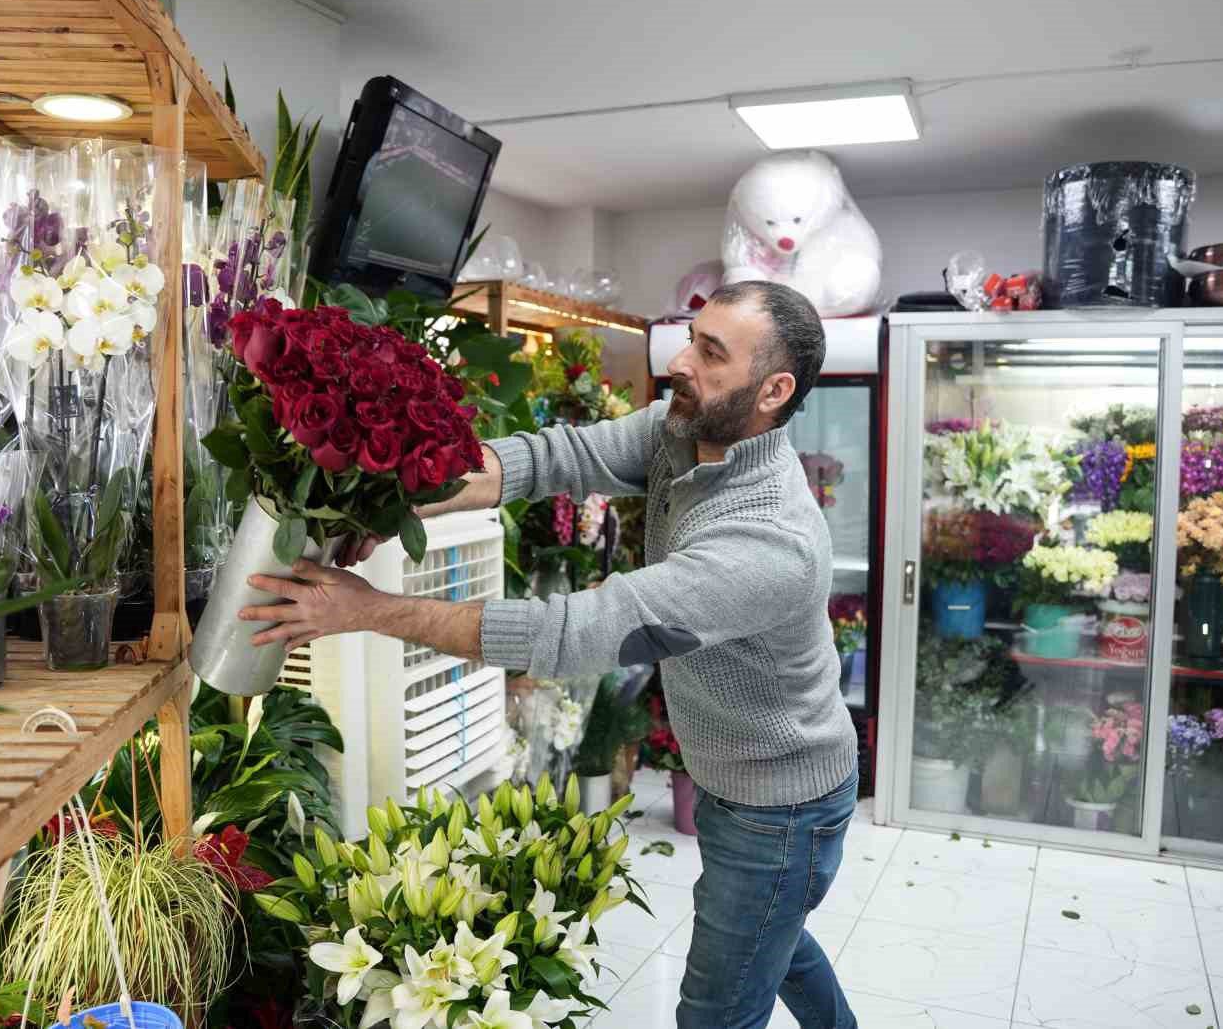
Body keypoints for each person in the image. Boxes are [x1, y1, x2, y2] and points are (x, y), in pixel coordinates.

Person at [239, 280, 860, 1029]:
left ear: (774, 390)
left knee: (716, 1007)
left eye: (710, 351)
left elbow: (572, 633)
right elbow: (549, 457)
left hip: (782, 802)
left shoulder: (769, 542)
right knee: (777, 939)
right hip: (738, 776)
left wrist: (363, 609)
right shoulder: (684, 432)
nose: (680, 361)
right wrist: (389, 501)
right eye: (691, 337)